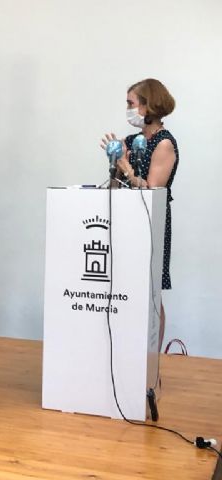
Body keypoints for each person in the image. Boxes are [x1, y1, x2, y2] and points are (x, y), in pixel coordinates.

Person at [101, 78, 179, 351]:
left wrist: (127, 166)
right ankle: (126, 352)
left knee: (150, 291)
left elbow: (152, 189)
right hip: (126, 220)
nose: (128, 110)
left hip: (150, 223)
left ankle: (150, 358)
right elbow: (115, 185)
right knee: (127, 287)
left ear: (148, 106)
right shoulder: (132, 141)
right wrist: (115, 163)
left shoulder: (164, 143)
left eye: (131, 103)